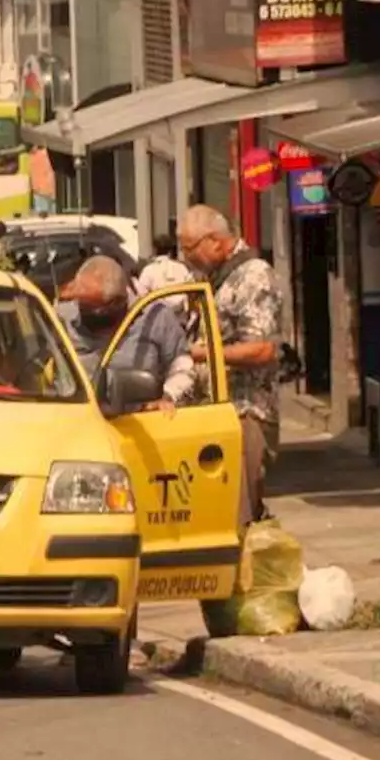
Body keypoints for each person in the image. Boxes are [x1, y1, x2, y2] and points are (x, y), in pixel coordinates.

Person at [177, 204, 283, 526]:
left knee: (237, 519)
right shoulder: (215, 278)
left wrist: (201, 353)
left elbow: (262, 348)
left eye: (189, 247)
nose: (185, 256)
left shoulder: (253, 276)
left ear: (215, 241)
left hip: (245, 413)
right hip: (216, 414)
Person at [57, 255, 194, 414]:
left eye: (94, 309)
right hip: (75, 422)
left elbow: (182, 366)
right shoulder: (62, 319)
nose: (83, 311)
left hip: (138, 422)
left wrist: (168, 397)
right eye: (81, 303)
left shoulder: (155, 318)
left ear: (118, 302)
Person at [138, 233, 193, 316]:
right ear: (170, 251)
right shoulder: (182, 268)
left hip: (158, 320)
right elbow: (192, 291)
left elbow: (141, 297)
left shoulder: (148, 270)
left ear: (154, 250)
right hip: (181, 320)